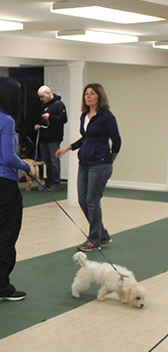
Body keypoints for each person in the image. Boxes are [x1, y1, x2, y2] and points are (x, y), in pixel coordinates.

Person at [0, 76, 36, 302]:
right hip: (4, 184)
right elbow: (10, 156)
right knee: (7, 235)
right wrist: (27, 168)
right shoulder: (7, 121)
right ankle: (0, 286)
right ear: (10, 96)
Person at [56, 83, 121, 252]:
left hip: (100, 164)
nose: (88, 96)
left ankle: (94, 239)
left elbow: (117, 140)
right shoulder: (84, 115)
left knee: (92, 201)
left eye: (92, 94)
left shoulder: (106, 116)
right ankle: (103, 233)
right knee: (83, 200)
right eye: (86, 94)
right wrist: (67, 148)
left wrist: (110, 159)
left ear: (99, 96)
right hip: (84, 163)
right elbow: (85, 138)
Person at [35, 85, 67, 190]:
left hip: (54, 138)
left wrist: (51, 117)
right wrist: (39, 125)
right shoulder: (44, 106)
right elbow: (43, 120)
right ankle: (48, 182)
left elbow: (63, 119)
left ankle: (55, 183)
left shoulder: (59, 105)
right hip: (43, 137)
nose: (41, 99)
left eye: (42, 97)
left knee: (54, 162)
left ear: (49, 93)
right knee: (47, 162)